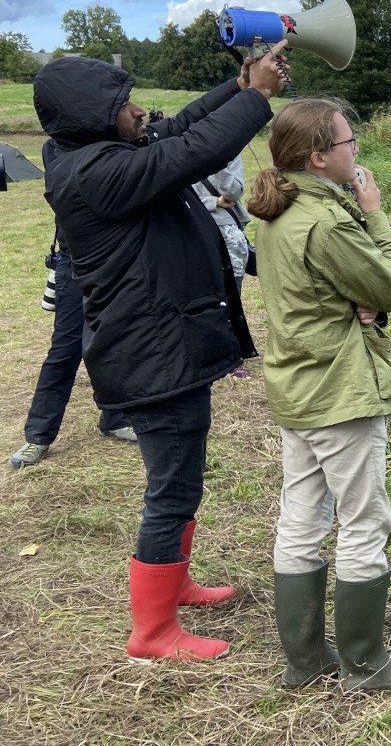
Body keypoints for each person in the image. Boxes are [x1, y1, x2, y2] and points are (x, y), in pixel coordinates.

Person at [33, 44, 288, 663]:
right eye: (124, 104)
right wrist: (257, 97)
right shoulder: (96, 175)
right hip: (152, 356)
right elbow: (192, 151)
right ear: (95, 117)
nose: (139, 111)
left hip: (164, 345)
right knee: (171, 491)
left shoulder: (95, 151)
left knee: (184, 481)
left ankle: (177, 583)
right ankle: (151, 633)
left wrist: (235, 87)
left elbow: (174, 130)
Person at [246, 98, 391, 692]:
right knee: (362, 522)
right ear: (319, 156)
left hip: (296, 388)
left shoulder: (278, 211)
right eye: (349, 143)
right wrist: (376, 217)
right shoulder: (327, 221)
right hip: (340, 392)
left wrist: (361, 305)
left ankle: (305, 659)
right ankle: (366, 662)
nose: (357, 152)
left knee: (300, 519)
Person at [9, 225, 137, 470]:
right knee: (64, 352)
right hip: (76, 263)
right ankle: (38, 436)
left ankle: (115, 418)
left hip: (116, 262)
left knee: (113, 345)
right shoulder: (67, 185)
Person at [191, 155, 255, 378]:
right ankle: (208, 355)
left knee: (231, 295)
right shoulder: (183, 145)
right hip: (194, 230)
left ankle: (232, 356)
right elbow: (178, 195)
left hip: (229, 231)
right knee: (201, 295)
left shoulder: (231, 154)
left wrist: (217, 158)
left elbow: (233, 192)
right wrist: (213, 202)